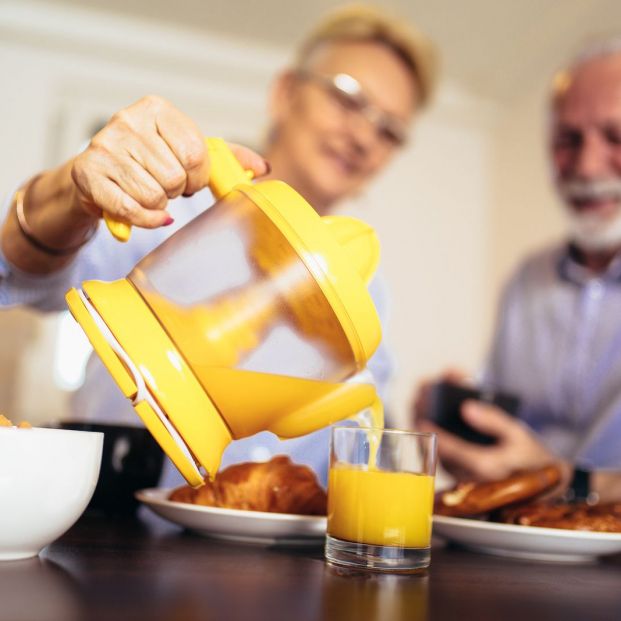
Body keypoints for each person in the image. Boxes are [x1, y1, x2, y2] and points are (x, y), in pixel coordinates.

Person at [0, 5, 437, 486]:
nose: (362, 136)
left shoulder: (369, 294)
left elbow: (361, 442)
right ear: (286, 92)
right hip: (113, 521)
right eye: (348, 98)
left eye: (389, 130)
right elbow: (25, 276)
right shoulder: (174, 202)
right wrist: (70, 193)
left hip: (279, 554)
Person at [414, 39, 621, 503]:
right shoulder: (529, 278)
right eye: (568, 140)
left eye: (616, 137)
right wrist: (466, 428)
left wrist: (565, 482)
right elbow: (511, 441)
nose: (587, 166)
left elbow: (544, 469)